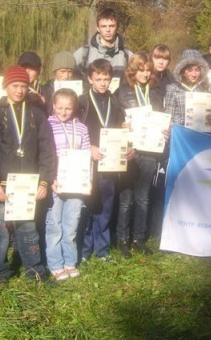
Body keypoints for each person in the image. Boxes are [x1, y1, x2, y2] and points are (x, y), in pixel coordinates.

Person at [0, 66, 56, 284]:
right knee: (1, 231)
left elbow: (47, 151)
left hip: (29, 185)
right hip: (2, 185)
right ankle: (1, 271)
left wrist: (44, 182)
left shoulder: (37, 115)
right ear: (6, 87)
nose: (19, 90)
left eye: (23, 86)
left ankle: (34, 270)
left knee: (28, 229)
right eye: (15, 86)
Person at [115, 53, 165, 257]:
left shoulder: (155, 94)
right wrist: (120, 125)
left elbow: (162, 120)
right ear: (132, 71)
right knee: (126, 198)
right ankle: (122, 239)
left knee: (143, 198)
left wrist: (165, 131)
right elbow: (113, 119)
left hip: (150, 151)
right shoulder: (121, 92)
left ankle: (138, 239)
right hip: (130, 151)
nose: (145, 74)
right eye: (140, 70)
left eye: (148, 70)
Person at [78, 59, 128, 261]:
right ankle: (84, 248)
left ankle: (102, 249)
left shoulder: (115, 101)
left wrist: (125, 134)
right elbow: (74, 130)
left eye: (106, 79)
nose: (103, 83)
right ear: (90, 79)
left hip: (109, 161)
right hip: (87, 161)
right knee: (88, 205)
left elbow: (120, 126)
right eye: (98, 79)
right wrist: (88, 147)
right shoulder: (81, 102)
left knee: (106, 206)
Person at [45, 88, 91, 280]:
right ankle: (55, 264)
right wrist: (49, 180)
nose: (64, 112)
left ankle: (70, 262)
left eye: (68, 108)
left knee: (71, 226)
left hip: (76, 185)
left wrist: (88, 181)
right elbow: (44, 156)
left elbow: (87, 156)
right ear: (53, 106)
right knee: (54, 226)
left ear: (75, 108)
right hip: (56, 184)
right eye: (60, 108)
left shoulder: (82, 128)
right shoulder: (47, 125)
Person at [73, 8, 132, 83]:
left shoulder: (128, 56)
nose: (108, 30)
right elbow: (67, 77)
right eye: (103, 26)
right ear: (98, 28)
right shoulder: (83, 54)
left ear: (117, 27)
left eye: (111, 26)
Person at [164, 49, 211, 129]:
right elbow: (169, 116)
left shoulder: (209, 88)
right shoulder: (173, 89)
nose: (194, 74)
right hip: (181, 133)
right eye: (190, 70)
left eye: (197, 70)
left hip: (202, 133)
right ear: (182, 71)